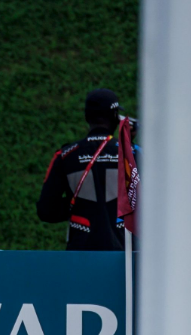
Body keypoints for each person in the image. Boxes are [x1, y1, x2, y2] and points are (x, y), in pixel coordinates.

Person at [36, 88, 129, 251]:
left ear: (87, 117)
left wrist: (79, 205)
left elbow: (46, 210)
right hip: (124, 256)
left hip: (80, 254)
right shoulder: (132, 154)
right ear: (115, 117)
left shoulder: (65, 155)